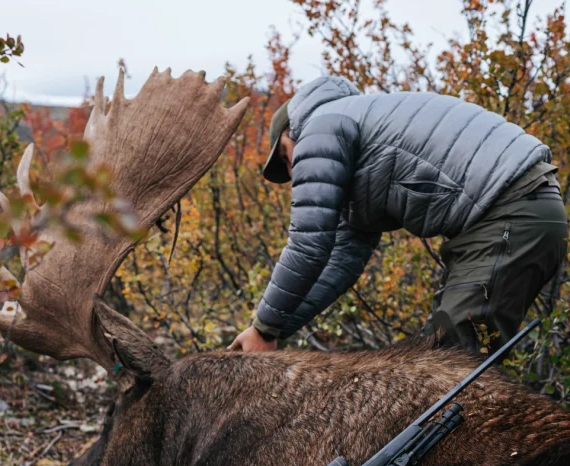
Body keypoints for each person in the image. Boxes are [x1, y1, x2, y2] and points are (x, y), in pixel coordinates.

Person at [229, 76, 568, 354]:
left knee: (447, 368)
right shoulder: (358, 132)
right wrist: (274, 329)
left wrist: (264, 325)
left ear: (291, 132)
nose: (293, 171)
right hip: (525, 211)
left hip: (510, 213)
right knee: (437, 356)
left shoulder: (319, 127)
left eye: (286, 159)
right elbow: (338, 264)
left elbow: (308, 244)